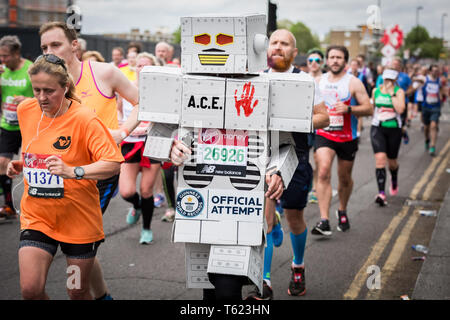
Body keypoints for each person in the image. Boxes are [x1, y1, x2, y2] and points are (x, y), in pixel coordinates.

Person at [7, 54, 123, 299]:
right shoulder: (26, 110)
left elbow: (112, 163)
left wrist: (73, 171)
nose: (41, 97)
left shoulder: (84, 118)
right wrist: (23, 164)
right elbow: (36, 146)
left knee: (76, 291)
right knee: (30, 289)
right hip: (38, 217)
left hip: (78, 222)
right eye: (36, 89)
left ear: (66, 86)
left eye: (49, 91)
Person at [39, 21, 140, 300]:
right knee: (80, 245)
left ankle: (89, 294)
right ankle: (102, 295)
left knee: (76, 241)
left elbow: (142, 102)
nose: (50, 52)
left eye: (56, 45)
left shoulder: (104, 73)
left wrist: (122, 132)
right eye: (44, 47)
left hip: (98, 173)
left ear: (74, 45)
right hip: (61, 172)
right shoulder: (46, 83)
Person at [244, 30, 329, 300]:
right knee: (264, 221)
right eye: (274, 42)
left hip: (295, 157)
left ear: (294, 52)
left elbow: (324, 118)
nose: (278, 47)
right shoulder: (255, 76)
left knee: (295, 218)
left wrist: (295, 121)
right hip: (261, 157)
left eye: (285, 44)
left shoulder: (303, 80)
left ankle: (298, 266)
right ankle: (264, 282)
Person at [312, 45, 372, 236]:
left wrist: (349, 110)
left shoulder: (353, 82)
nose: (335, 60)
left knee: (344, 178)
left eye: (339, 57)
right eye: (332, 57)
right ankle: (324, 220)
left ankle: (342, 210)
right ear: (327, 61)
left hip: (347, 137)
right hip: (324, 134)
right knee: (322, 172)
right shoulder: (318, 82)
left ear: (345, 61)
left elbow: (369, 109)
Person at [118, 52, 161, 244]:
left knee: (146, 190)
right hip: (130, 144)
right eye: (139, 65)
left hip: (153, 143)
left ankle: (146, 229)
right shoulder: (126, 90)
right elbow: (118, 114)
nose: (142, 69)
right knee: (126, 191)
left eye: (147, 66)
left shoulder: (162, 92)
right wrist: (122, 130)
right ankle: (136, 206)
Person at [0, 35, 34, 219]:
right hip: (8, 124)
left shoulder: (30, 69)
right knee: (2, 164)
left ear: (16, 53)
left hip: (28, 125)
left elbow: (44, 95)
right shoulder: (1, 71)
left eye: (6, 56)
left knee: (28, 165)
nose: (3, 60)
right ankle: (8, 206)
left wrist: (29, 100)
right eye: (1, 56)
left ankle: (33, 204)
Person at [370, 69, 406, 206]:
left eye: (391, 80)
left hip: (394, 129)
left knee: (392, 162)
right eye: (386, 80)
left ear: (395, 80)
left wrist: (392, 94)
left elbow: (400, 109)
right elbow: (372, 107)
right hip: (378, 127)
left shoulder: (399, 92)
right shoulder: (375, 91)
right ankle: (381, 193)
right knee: (380, 160)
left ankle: (394, 176)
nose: (388, 83)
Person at [306, 48, 325, 205]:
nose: (313, 63)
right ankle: (307, 185)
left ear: (322, 63)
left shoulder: (326, 80)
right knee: (303, 159)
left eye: (317, 61)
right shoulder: (302, 78)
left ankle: (315, 190)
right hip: (305, 124)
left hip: (321, 125)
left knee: (318, 159)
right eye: (310, 60)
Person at [421, 64, 444, 156]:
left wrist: (441, 96)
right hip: (426, 106)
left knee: (433, 126)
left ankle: (432, 146)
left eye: (437, 71)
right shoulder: (425, 79)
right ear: (430, 71)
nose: (435, 72)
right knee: (426, 127)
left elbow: (441, 90)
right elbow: (417, 80)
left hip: (436, 106)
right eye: (434, 70)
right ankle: (427, 139)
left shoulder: (439, 81)